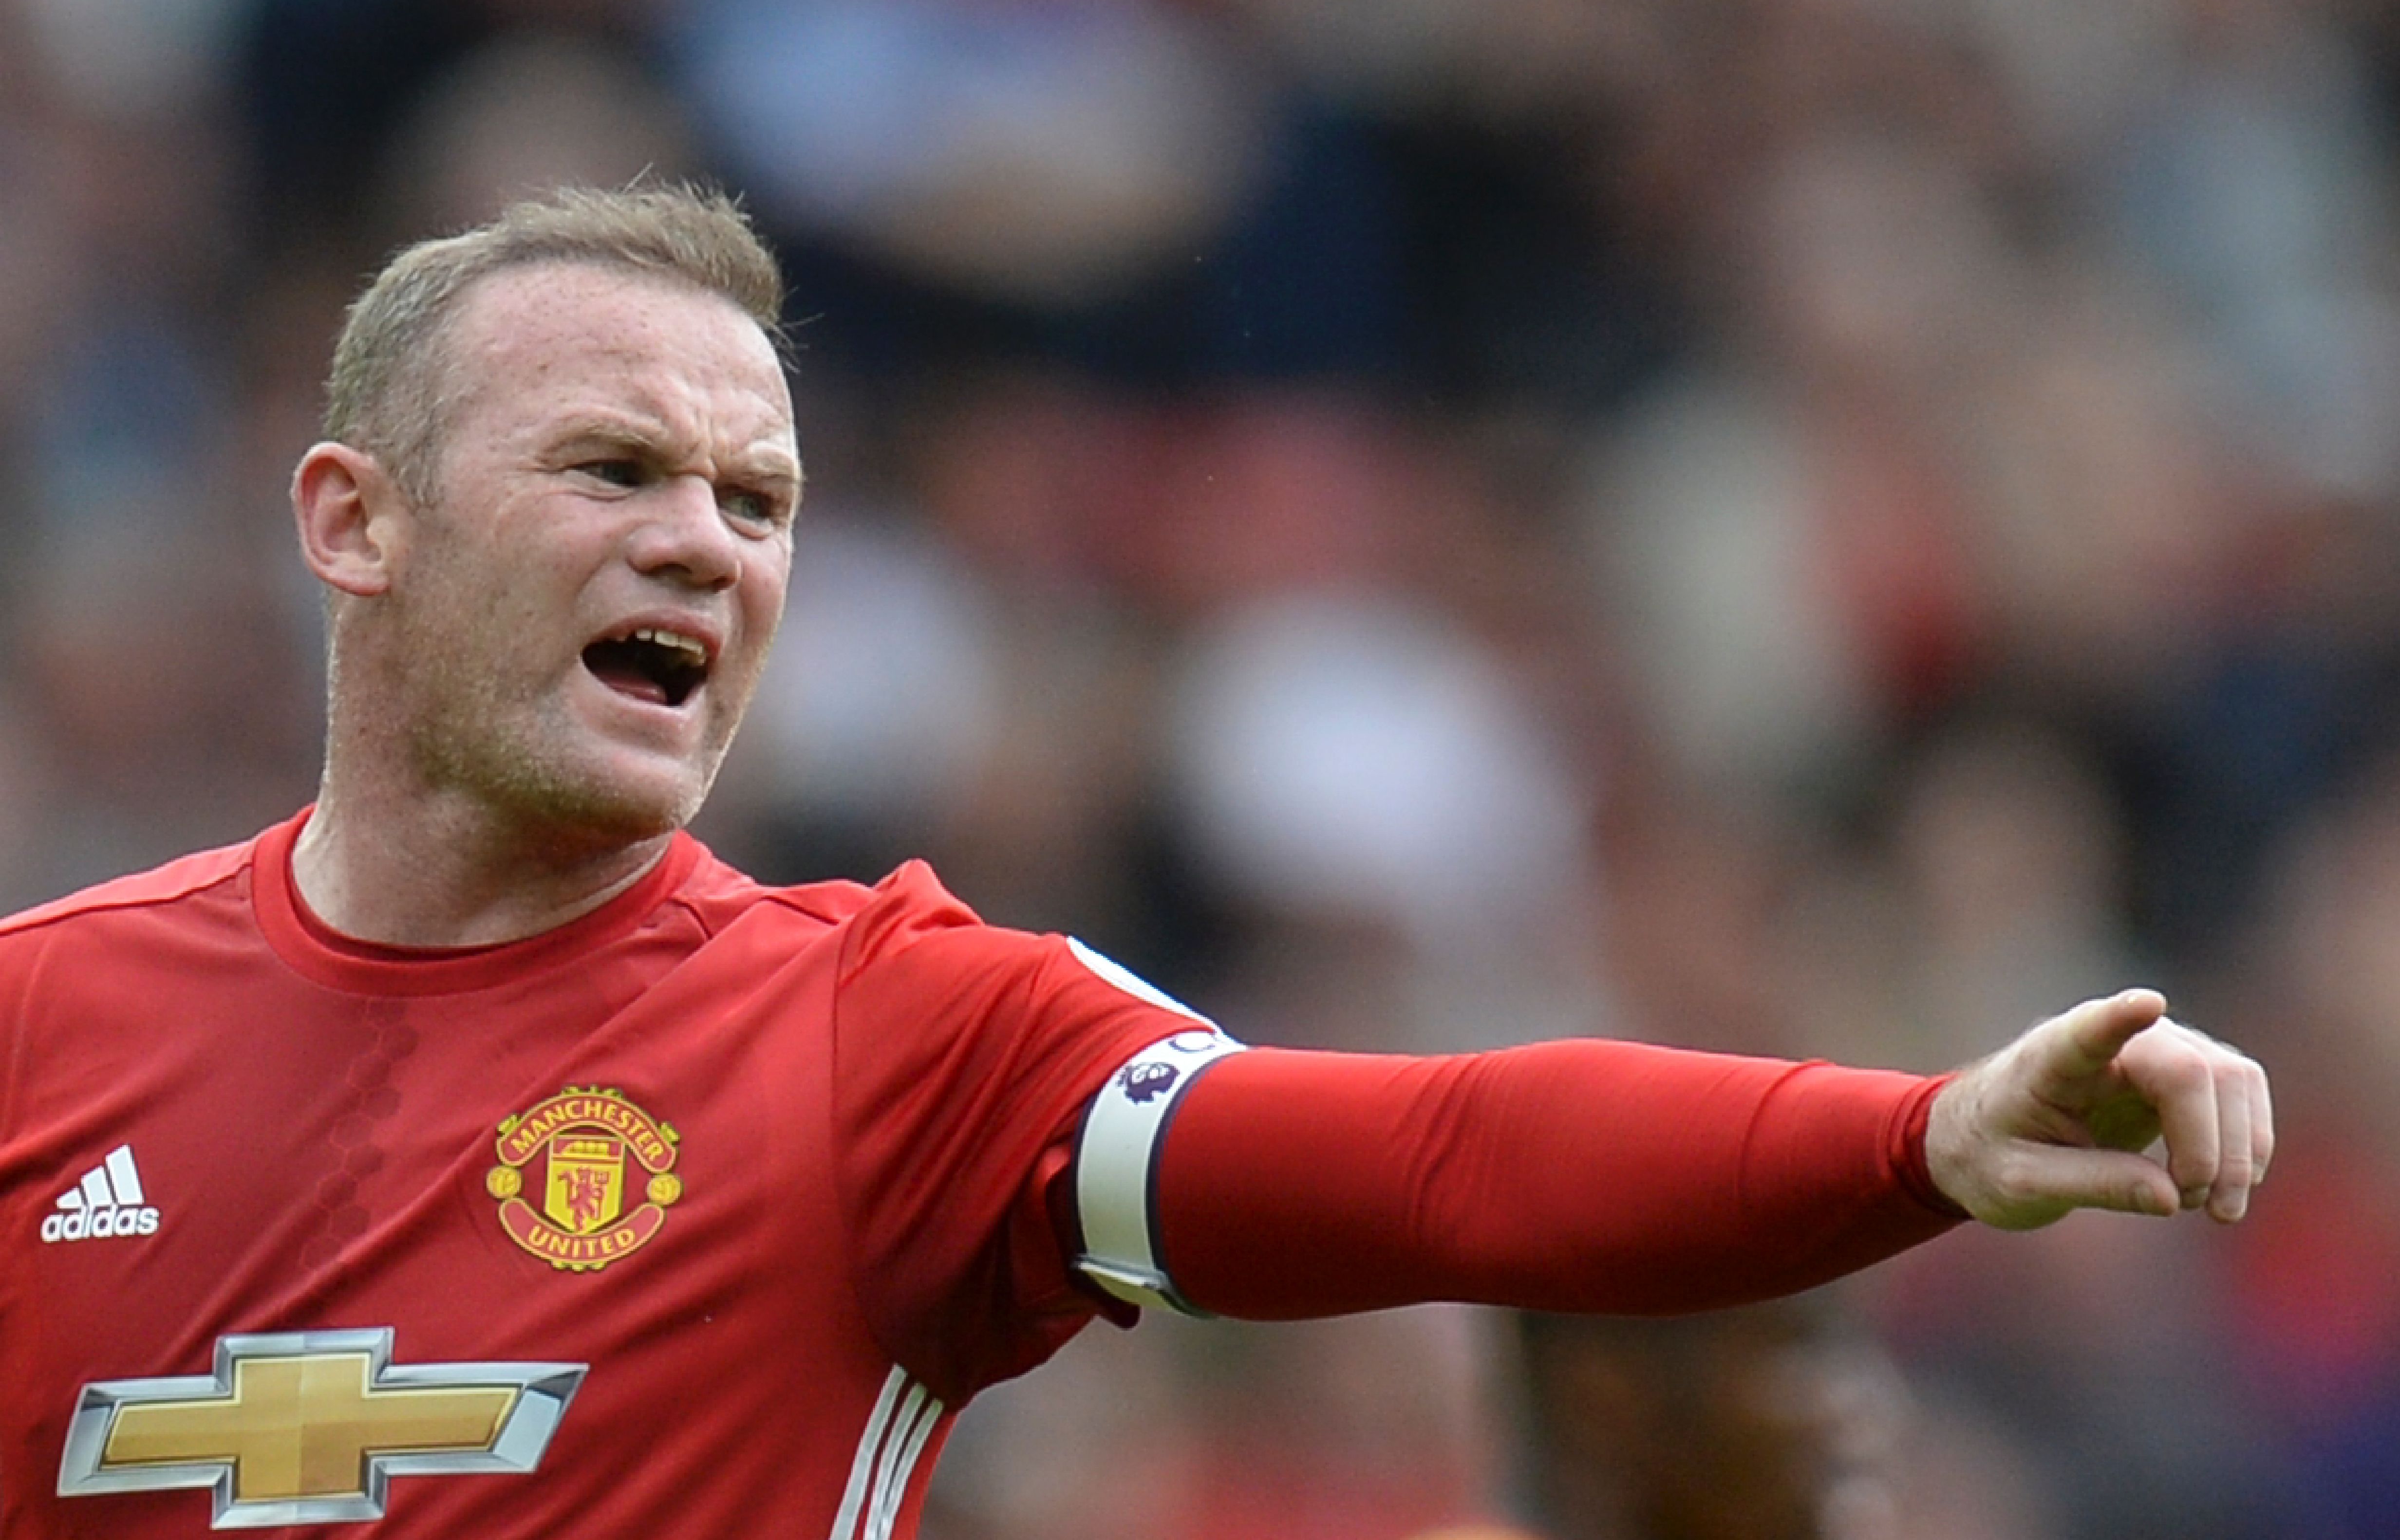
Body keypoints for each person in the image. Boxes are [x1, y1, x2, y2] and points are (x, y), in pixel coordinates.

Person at [0, 184, 2269, 1540]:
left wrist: (1920, 1136)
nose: (700, 537)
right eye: (609, 464)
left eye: (760, 500)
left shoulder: (880, 1034)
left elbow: (1433, 1157)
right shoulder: (39, 1029)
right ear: (352, 521)